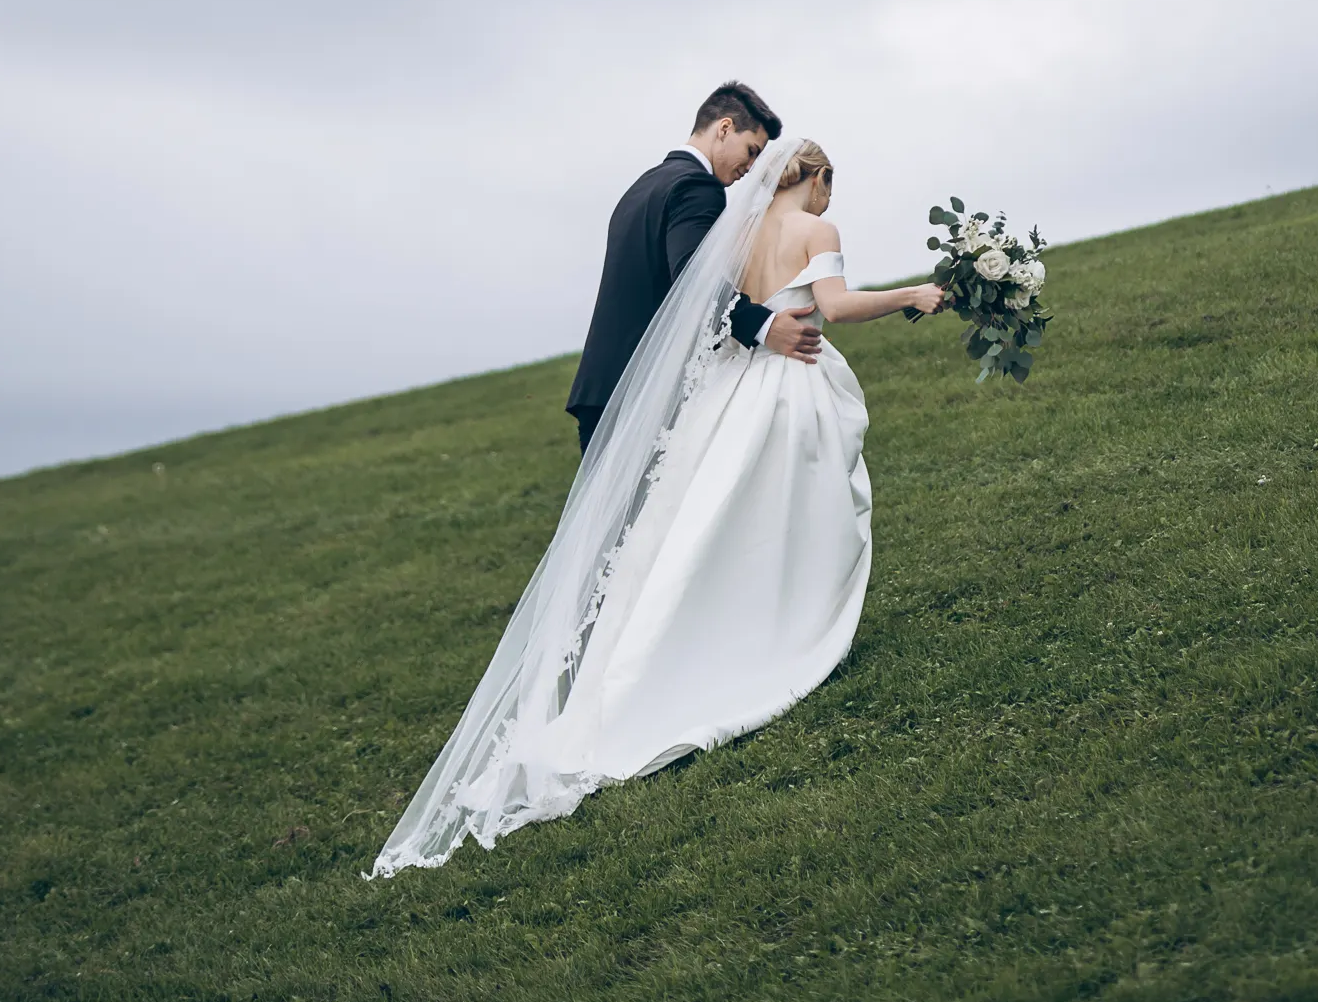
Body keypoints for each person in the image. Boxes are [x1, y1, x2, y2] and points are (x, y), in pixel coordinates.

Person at [370, 133, 943, 877]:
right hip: (785, 387)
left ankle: (652, 659)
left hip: (727, 392)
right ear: (817, 178)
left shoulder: (736, 238)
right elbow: (833, 305)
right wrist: (913, 296)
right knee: (789, 514)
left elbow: (712, 310)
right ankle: (780, 627)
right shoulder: (816, 230)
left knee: (694, 526)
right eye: (832, 184)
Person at [565, 81, 822, 456]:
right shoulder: (697, 187)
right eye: (751, 151)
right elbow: (691, 281)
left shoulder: (643, 186)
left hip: (603, 385)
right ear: (724, 128)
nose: (750, 168)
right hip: (642, 389)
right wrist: (764, 326)